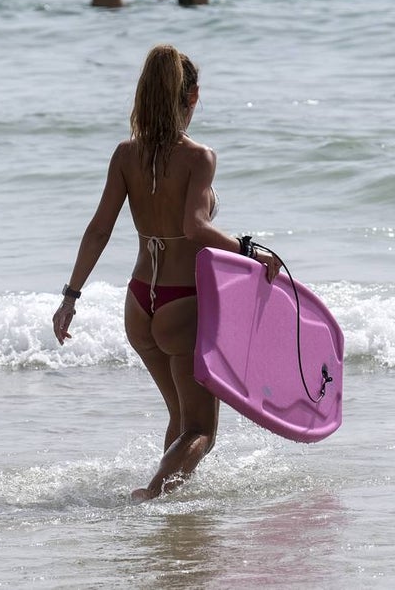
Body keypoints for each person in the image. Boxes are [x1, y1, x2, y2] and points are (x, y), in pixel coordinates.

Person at [52, 45, 281, 502]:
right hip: (182, 304)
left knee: (179, 419)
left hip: (140, 304)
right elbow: (193, 227)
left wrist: (71, 297)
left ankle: (165, 522)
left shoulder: (125, 154)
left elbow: (99, 229)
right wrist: (249, 250)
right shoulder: (199, 157)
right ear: (192, 96)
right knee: (202, 431)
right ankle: (151, 499)